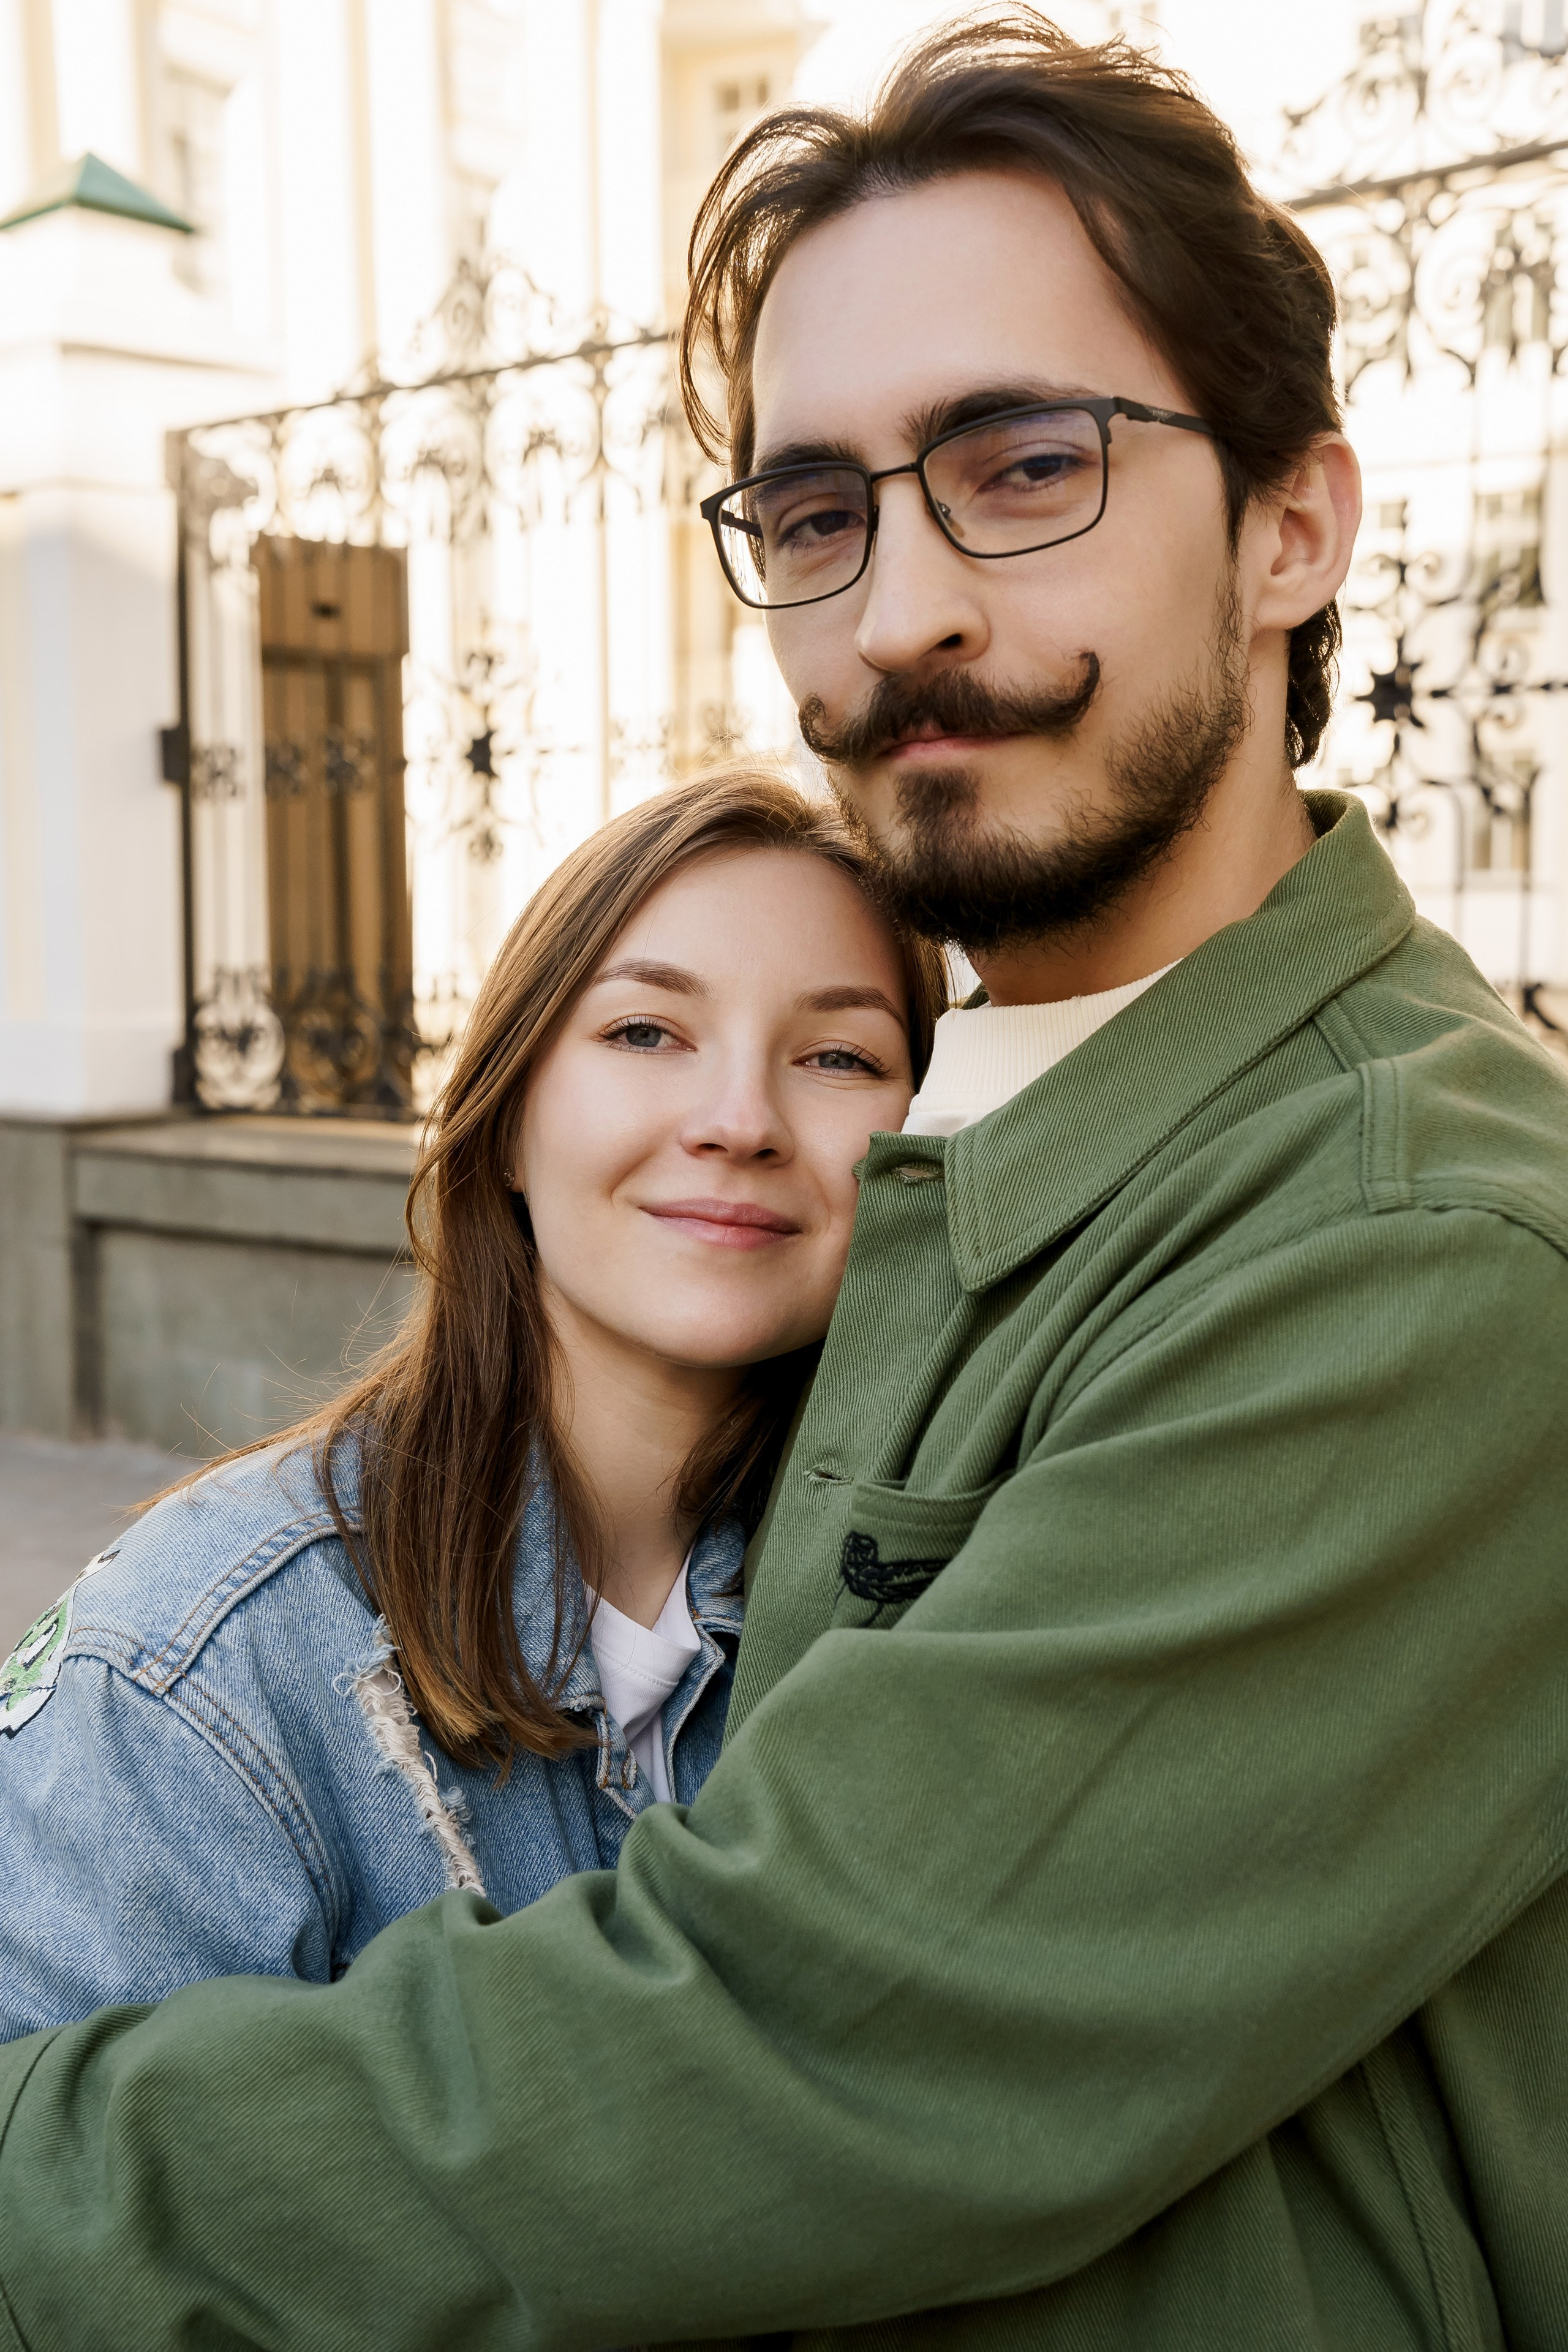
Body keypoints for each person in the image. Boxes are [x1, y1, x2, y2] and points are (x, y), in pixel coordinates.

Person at [2, 13, 1567, 2348]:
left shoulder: (1407, 1227)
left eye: (1024, 462)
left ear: (1293, 528)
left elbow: (790, 2045)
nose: (900, 607)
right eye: (817, 512)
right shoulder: (985, 1146)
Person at [0, 768, 941, 2030]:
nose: (738, 1121)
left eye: (837, 1054)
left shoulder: (935, 1603)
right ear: (505, 1115)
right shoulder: (200, 1668)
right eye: (644, 1033)